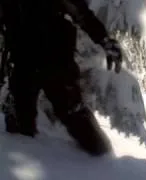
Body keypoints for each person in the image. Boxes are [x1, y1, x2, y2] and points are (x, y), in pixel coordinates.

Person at [0, 0, 123, 156]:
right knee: (18, 129)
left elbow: (80, 12)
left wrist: (104, 40)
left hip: (55, 61)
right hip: (23, 62)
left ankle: (107, 165)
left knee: (77, 119)